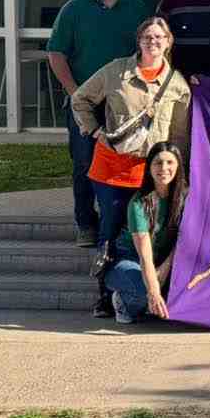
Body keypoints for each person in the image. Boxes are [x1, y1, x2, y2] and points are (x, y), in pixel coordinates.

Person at [47, 0, 150, 247]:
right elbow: (56, 53)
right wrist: (74, 92)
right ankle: (86, 223)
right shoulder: (74, 9)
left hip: (126, 105)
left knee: (127, 163)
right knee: (84, 163)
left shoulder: (136, 8)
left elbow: (148, 50)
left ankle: (120, 226)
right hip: (86, 105)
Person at [71, 16, 189, 275]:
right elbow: (80, 99)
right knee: (110, 231)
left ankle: (131, 290)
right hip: (112, 169)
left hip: (151, 174)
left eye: (159, 37)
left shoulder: (178, 85)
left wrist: (179, 174)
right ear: (139, 41)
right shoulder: (116, 71)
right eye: (147, 37)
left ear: (169, 42)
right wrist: (93, 130)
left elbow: (179, 137)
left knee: (145, 233)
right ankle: (104, 294)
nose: (153, 42)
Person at [99, 142, 188, 325]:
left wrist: (164, 268)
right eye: (158, 163)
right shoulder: (139, 203)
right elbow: (145, 256)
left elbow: (183, 240)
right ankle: (123, 303)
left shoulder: (186, 198)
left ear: (178, 166)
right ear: (149, 168)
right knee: (143, 290)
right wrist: (154, 290)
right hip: (129, 260)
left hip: (164, 261)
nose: (164, 168)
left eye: (170, 162)